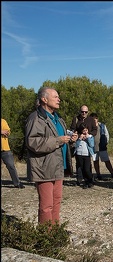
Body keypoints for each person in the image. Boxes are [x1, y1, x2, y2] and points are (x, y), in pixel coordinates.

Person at [25, 87, 78, 224]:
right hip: (44, 168)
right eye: (55, 97)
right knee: (46, 206)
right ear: (44, 99)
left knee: (56, 203)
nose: (59, 99)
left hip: (59, 167)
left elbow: (61, 139)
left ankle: (55, 234)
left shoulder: (58, 118)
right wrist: (58, 140)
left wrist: (70, 140)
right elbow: (32, 142)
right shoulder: (36, 118)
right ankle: (46, 237)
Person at [70, 105, 97, 186]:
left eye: (85, 112)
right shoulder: (76, 119)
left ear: (88, 112)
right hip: (79, 143)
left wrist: (89, 135)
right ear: (80, 111)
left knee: (87, 166)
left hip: (88, 145)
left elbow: (95, 130)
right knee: (79, 164)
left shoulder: (91, 119)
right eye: (82, 112)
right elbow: (72, 129)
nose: (84, 113)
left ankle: (89, 180)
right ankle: (80, 179)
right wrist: (78, 136)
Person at [90, 112, 113, 181]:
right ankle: (98, 174)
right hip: (94, 147)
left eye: (95, 118)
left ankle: (112, 174)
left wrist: (105, 143)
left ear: (97, 119)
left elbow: (106, 135)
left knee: (107, 161)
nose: (94, 120)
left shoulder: (102, 126)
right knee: (95, 161)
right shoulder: (90, 127)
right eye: (93, 119)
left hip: (102, 147)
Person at [1, 118, 25, 188]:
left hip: (5, 148)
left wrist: (5, 132)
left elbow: (7, 131)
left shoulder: (2, 121)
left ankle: (17, 183)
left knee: (11, 165)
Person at [74, 123, 95, 189]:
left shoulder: (90, 136)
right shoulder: (78, 136)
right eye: (83, 130)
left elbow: (92, 145)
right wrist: (80, 139)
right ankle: (86, 182)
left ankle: (91, 180)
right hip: (79, 154)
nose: (85, 132)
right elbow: (75, 145)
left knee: (87, 169)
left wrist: (87, 138)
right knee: (82, 168)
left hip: (87, 154)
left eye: (86, 130)